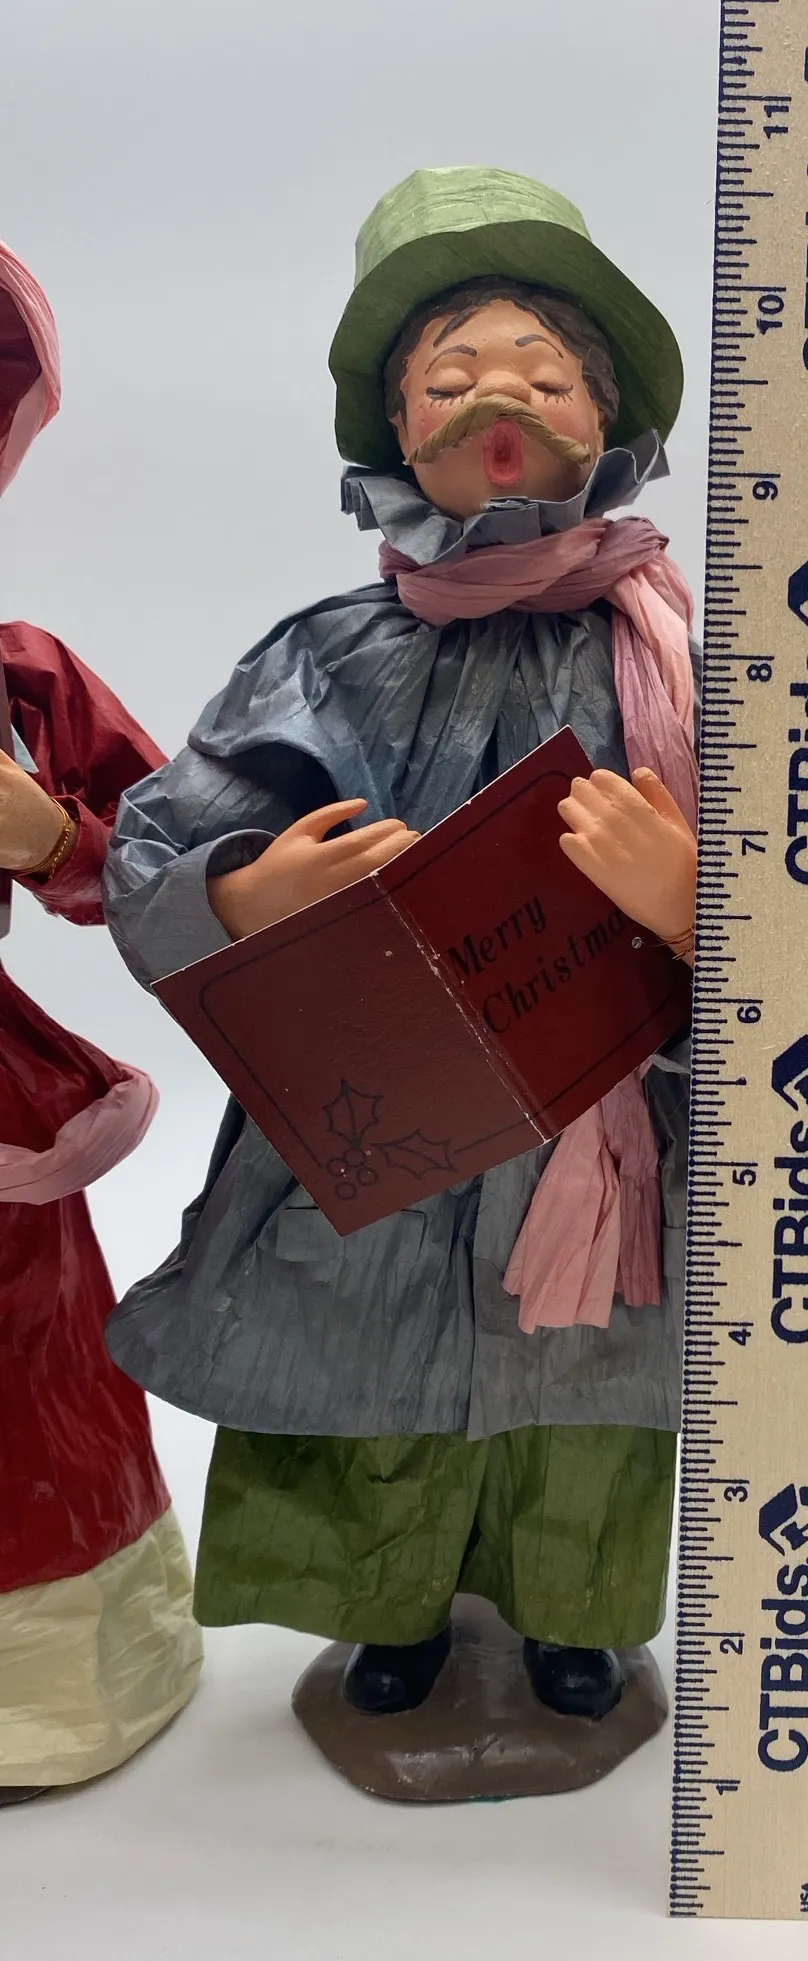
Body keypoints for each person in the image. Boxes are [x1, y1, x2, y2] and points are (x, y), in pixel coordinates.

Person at [103, 168, 698, 1735]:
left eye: (544, 373)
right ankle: (396, 1615)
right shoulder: (319, 655)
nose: (500, 396)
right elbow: (152, 847)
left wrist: (692, 901)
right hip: (382, 1112)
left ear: (612, 415)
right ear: (392, 429)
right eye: (452, 374)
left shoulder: (692, 664)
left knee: (590, 1386)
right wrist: (248, 896)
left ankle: (575, 1618)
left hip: (611, 1112)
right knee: (378, 1368)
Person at [0, 240, 201, 1799]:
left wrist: (51, 837)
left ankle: (48, 1688)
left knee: (27, 1366)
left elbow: (178, 863)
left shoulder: (23, 680)